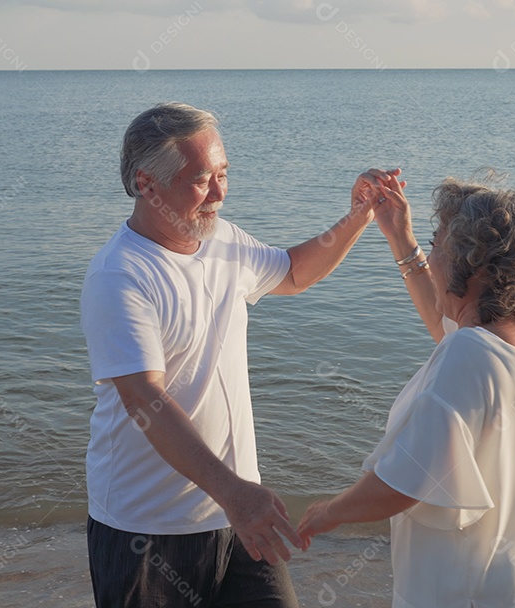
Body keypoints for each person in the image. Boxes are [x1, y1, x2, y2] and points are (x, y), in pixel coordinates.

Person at [80, 102, 379, 607]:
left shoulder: (222, 239)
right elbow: (143, 399)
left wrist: (359, 214)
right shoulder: (121, 274)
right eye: (201, 180)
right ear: (147, 184)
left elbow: (294, 273)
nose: (220, 193)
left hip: (238, 515)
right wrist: (234, 492)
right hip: (149, 529)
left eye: (223, 174)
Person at [297, 170, 515, 607]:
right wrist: (399, 237)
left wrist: (326, 513)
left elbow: (405, 481)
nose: (432, 257)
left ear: (474, 263)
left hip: (465, 592)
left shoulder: (469, 353)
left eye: (437, 245)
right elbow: (444, 321)